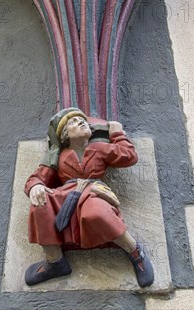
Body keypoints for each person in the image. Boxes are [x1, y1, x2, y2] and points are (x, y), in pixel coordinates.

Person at [24, 107, 154, 287]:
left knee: (95, 213)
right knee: (40, 205)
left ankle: (134, 252)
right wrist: (35, 186)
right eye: (73, 122)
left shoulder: (99, 148)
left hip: (91, 190)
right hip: (65, 194)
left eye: (82, 120)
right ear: (64, 135)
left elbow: (129, 157)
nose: (80, 122)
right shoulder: (57, 155)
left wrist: (118, 134)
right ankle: (55, 262)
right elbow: (37, 177)